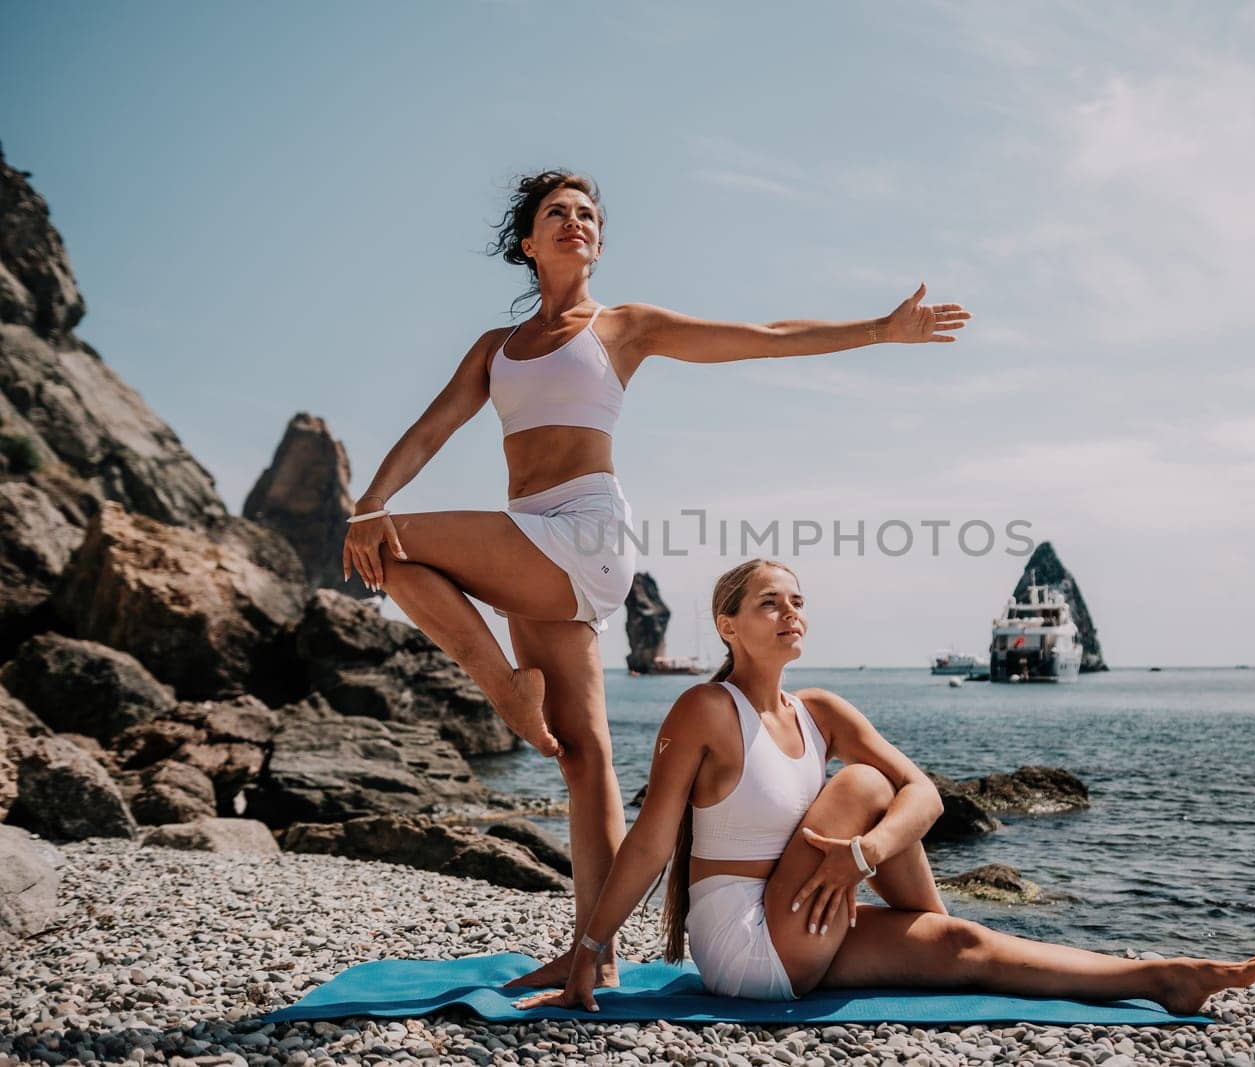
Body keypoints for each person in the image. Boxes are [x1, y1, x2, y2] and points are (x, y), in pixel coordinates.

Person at [339, 170, 971, 988]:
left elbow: (766, 333)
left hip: (585, 533)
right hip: (531, 538)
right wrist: (371, 497)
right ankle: (590, 951)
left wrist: (880, 329)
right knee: (583, 756)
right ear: (527, 243)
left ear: (599, 240)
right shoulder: (494, 351)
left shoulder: (623, 326)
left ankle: (502, 688)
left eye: (588, 215)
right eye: (556, 214)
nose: (576, 223)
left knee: (390, 544)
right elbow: (432, 428)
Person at [513, 559, 1255, 1013]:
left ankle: (1162, 976)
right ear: (727, 625)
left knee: (964, 939)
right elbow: (650, 842)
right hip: (743, 939)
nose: (790, 612)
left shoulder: (823, 711)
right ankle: (921, 927)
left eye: (798, 600)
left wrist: (862, 857)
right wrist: (589, 948)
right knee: (866, 782)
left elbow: (931, 797)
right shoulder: (706, 709)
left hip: (805, 911)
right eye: (769, 602)